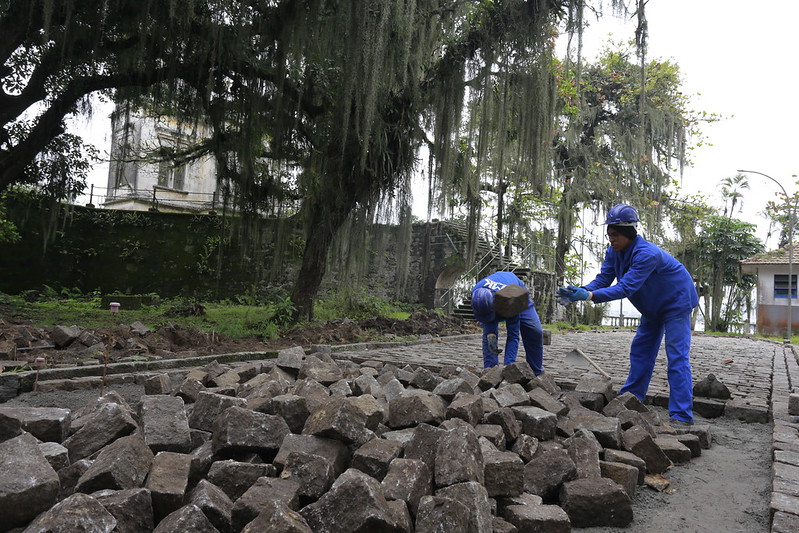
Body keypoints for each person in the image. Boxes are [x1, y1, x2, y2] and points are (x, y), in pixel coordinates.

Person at [558, 203, 699, 425]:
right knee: (641, 350)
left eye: (614, 235)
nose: (610, 239)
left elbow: (625, 288)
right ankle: (632, 399)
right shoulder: (613, 252)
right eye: (609, 235)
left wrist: (588, 298)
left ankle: (682, 415)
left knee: (676, 357)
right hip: (652, 306)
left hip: (676, 302)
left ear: (628, 233)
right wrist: (583, 290)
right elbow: (604, 280)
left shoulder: (647, 254)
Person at [471, 271, 544, 374]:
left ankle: (536, 373)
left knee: (534, 331)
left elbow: (513, 335)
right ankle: (490, 371)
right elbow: (485, 317)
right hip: (495, 301)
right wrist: (490, 334)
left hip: (517, 295)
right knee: (489, 338)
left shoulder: (510, 300)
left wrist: (508, 365)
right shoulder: (476, 293)